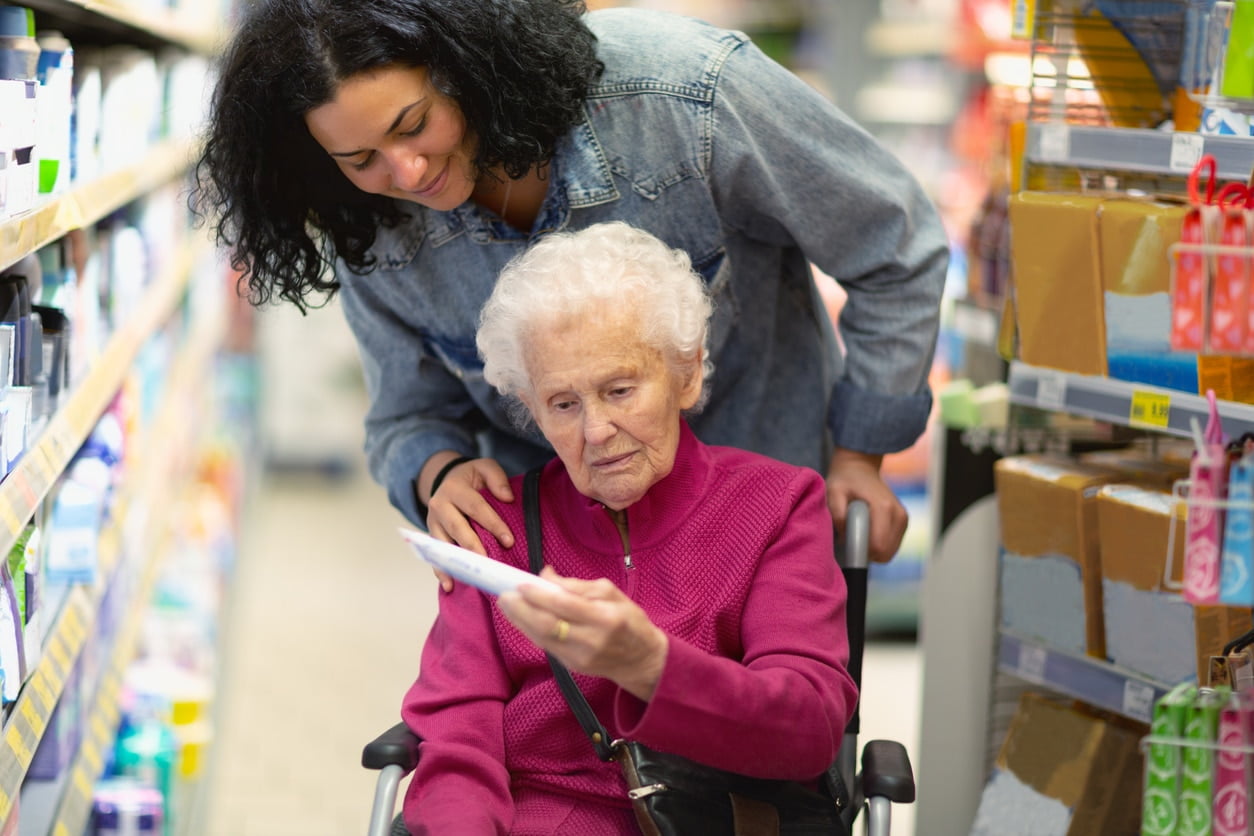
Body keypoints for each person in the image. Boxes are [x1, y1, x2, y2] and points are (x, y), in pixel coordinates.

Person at [193, 0, 949, 565]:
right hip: (574, 574)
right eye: (360, 160)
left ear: (466, 64)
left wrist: (860, 457)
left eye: (414, 124)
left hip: (769, 538)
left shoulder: (682, 97)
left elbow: (894, 242)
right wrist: (440, 473)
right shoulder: (368, 223)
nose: (405, 173)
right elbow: (409, 415)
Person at [399, 221, 857, 834]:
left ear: (686, 374)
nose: (595, 431)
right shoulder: (497, 526)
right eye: (563, 403)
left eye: (619, 390)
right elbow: (457, 743)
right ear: (531, 409)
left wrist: (650, 666)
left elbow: (808, 731)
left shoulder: (777, 505)